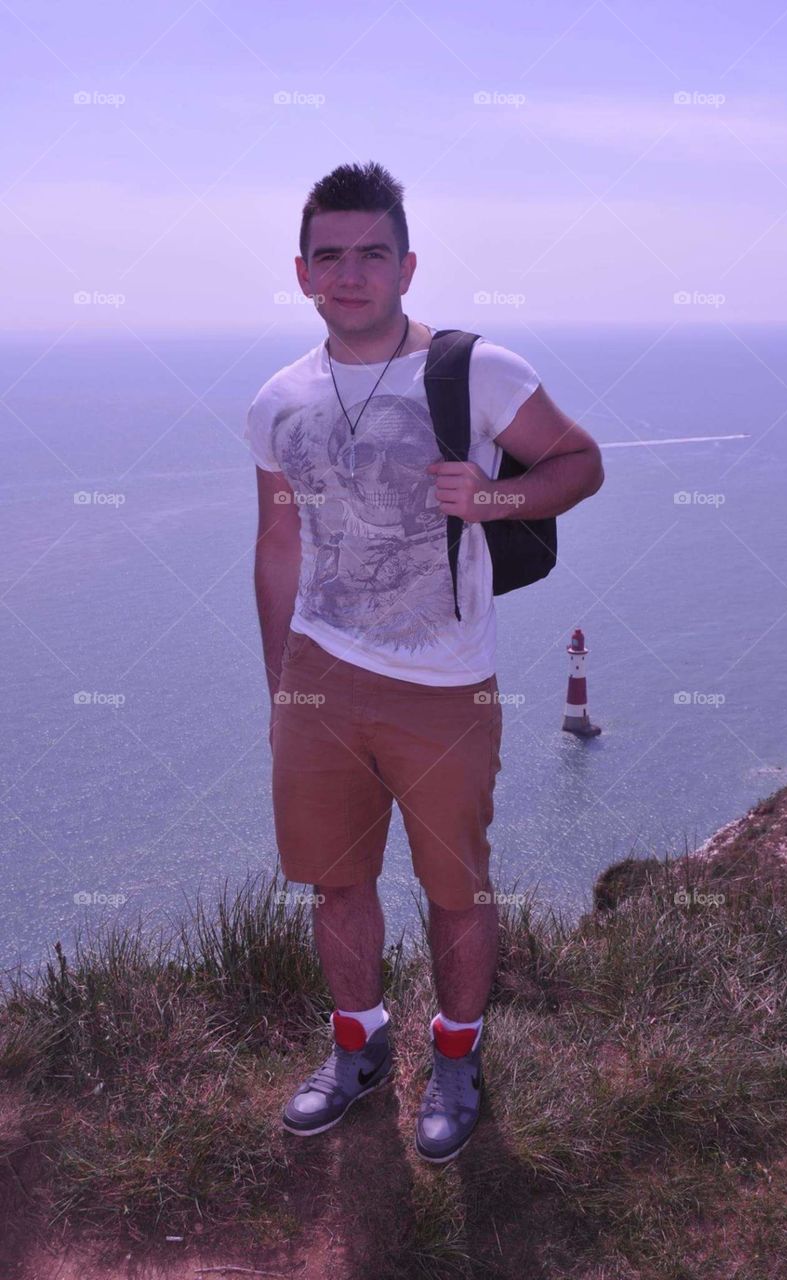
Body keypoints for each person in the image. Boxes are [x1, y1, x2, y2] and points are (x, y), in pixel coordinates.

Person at [244, 160, 604, 1163]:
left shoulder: (476, 369)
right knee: (335, 882)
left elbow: (581, 462)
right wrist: (283, 685)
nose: (350, 273)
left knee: (457, 890)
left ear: (407, 264)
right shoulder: (277, 400)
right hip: (321, 677)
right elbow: (278, 544)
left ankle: (457, 1058)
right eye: (330, 256)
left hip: (446, 685)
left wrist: (489, 499)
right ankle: (357, 1046)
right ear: (303, 272)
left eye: (371, 253)